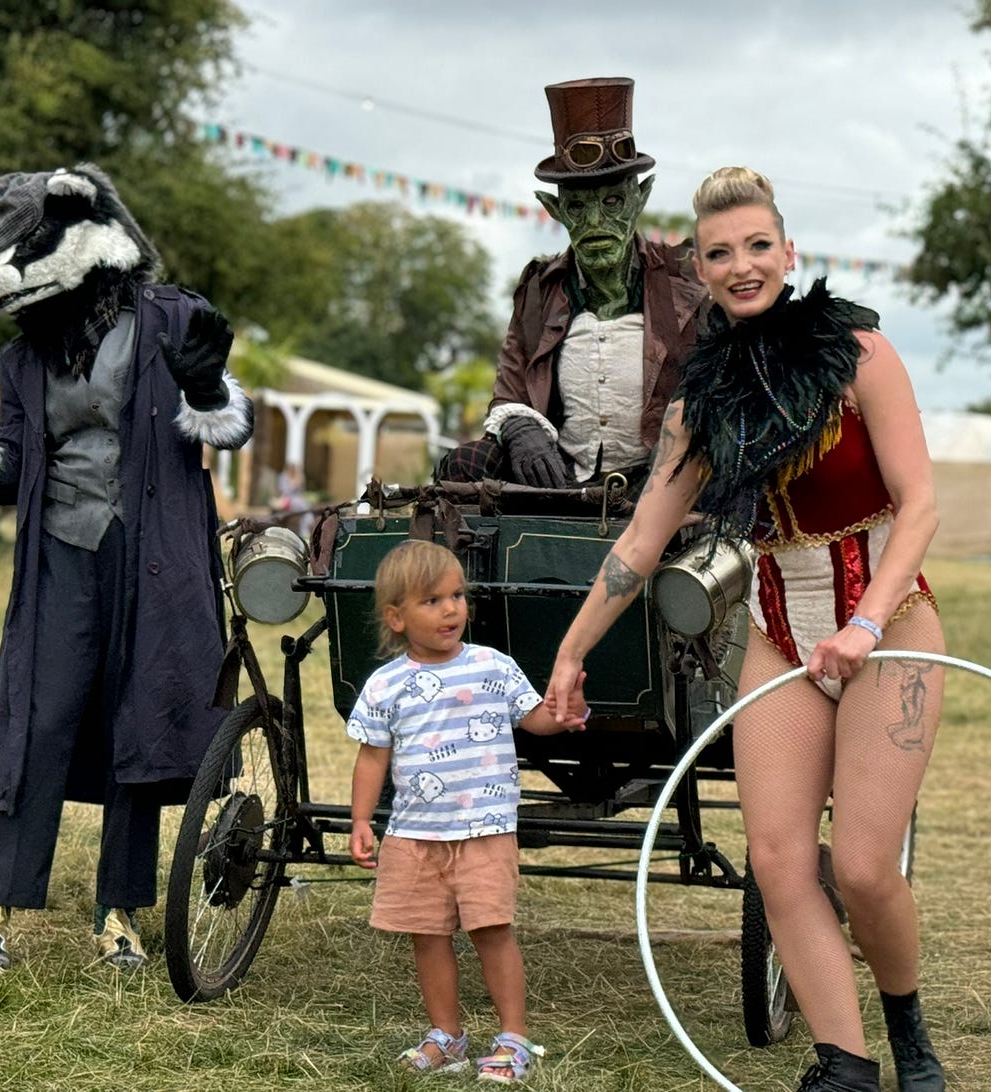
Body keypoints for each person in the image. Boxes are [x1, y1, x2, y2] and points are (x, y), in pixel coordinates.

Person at [545, 168, 946, 1092]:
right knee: (774, 859)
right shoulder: (702, 403)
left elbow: (920, 506)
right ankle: (844, 1062)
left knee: (864, 865)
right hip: (778, 631)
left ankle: (908, 1031)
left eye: (758, 246)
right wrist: (570, 651)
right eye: (720, 253)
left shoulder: (861, 353)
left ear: (789, 252)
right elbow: (643, 542)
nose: (742, 265)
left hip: (892, 625)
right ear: (700, 268)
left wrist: (869, 623)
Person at [0, 164, 251, 972]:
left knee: (139, 715)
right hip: (62, 548)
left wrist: (206, 389)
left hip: (154, 554)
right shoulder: (22, 360)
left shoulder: (172, 319)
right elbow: (14, 465)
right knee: (37, 716)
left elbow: (229, 427)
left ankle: (118, 910)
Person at [346, 539, 588, 1082]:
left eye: (457, 595)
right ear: (397, 617)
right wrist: (362, 820)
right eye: (432, 601)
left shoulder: (491, 666)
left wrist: (564, 712)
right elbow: (371, 757)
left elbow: (534, 720)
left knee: (491, 929)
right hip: (414, 834)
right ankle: (447, 1035)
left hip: (485, 829)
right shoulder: (385, 685)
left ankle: (512, 1039)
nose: (452, 609)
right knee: (426, 935)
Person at [436, 77, 708, 490]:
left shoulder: (686, 283)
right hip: (559, 479)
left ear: (641, 198)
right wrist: (522, 431)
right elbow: (509, 393)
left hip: (661, 479)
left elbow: (716, 392)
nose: (595, 223)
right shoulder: (539, 290)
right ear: (555, 209)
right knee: (465, 464)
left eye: (612, 202)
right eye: (578, 207)